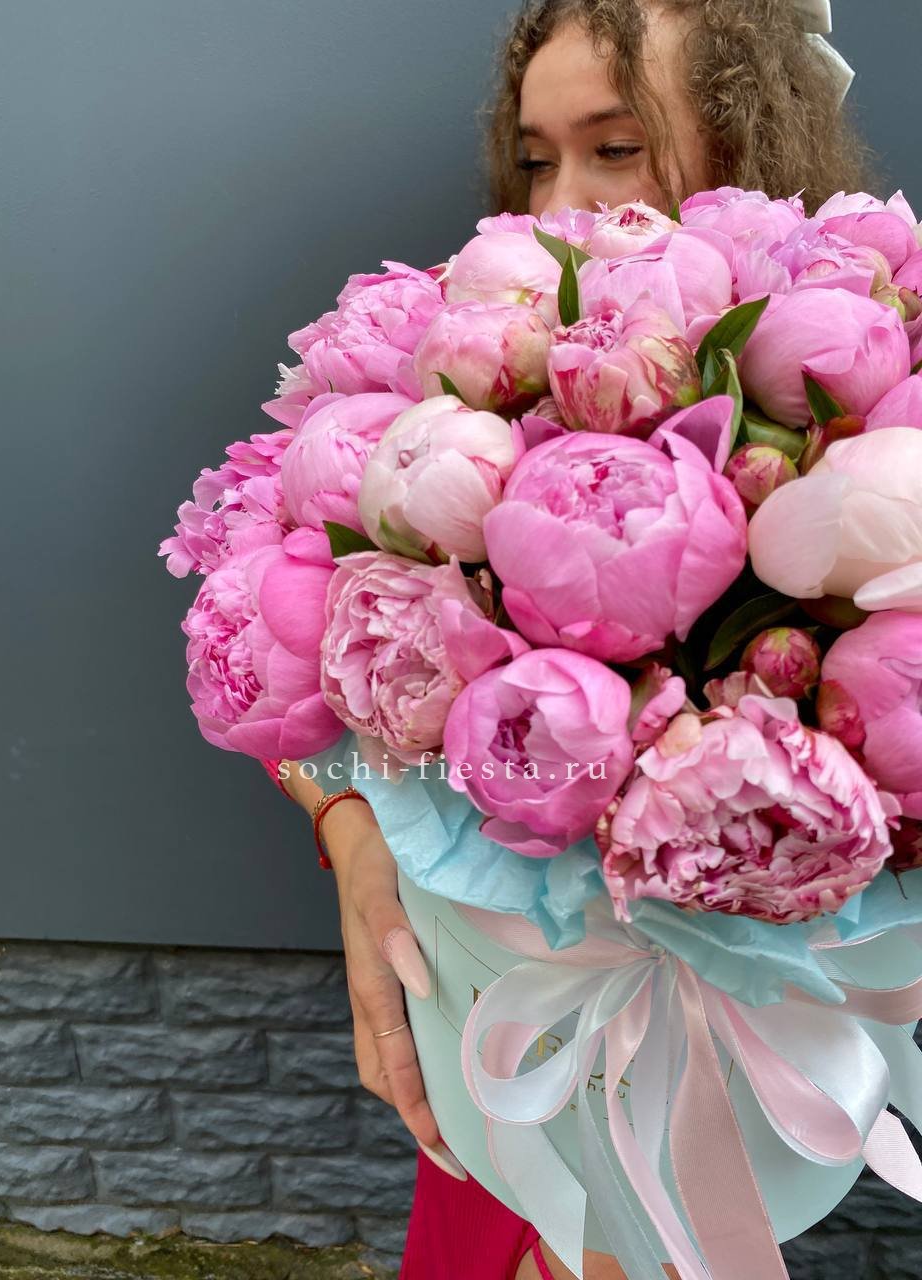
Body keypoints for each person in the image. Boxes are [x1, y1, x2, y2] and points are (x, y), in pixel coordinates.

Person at [269, 2, 871, 1276]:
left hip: (711, 1074)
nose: (562, 203)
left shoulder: (864, 401)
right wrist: (352, 827)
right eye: (538, 159)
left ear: (750, 147)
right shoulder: (464, 382)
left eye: (618, 148)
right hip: (494, 1034)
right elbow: (288, 642)